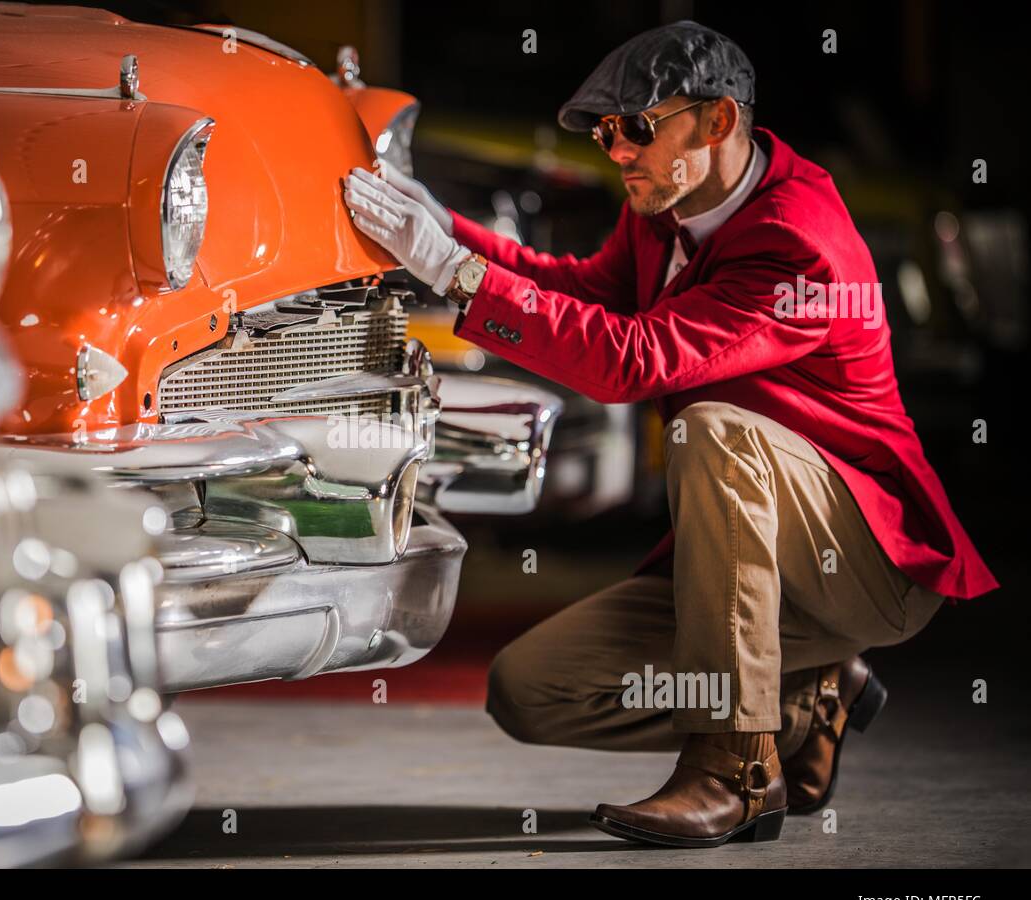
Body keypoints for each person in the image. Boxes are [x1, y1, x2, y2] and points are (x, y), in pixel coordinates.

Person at [342, 19, 997, 848]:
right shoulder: (667, 206)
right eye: (608, 132)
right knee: (531, 688)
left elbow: (634, 358)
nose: (616, 151)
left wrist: (457, 275)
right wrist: (443, 230)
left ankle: (735, 770)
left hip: (867, 563)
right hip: (749, 566)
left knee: (715, 433)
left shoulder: (798, 244)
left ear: (718, 122)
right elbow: (584, 292)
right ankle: (804, 704)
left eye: (637, 128)